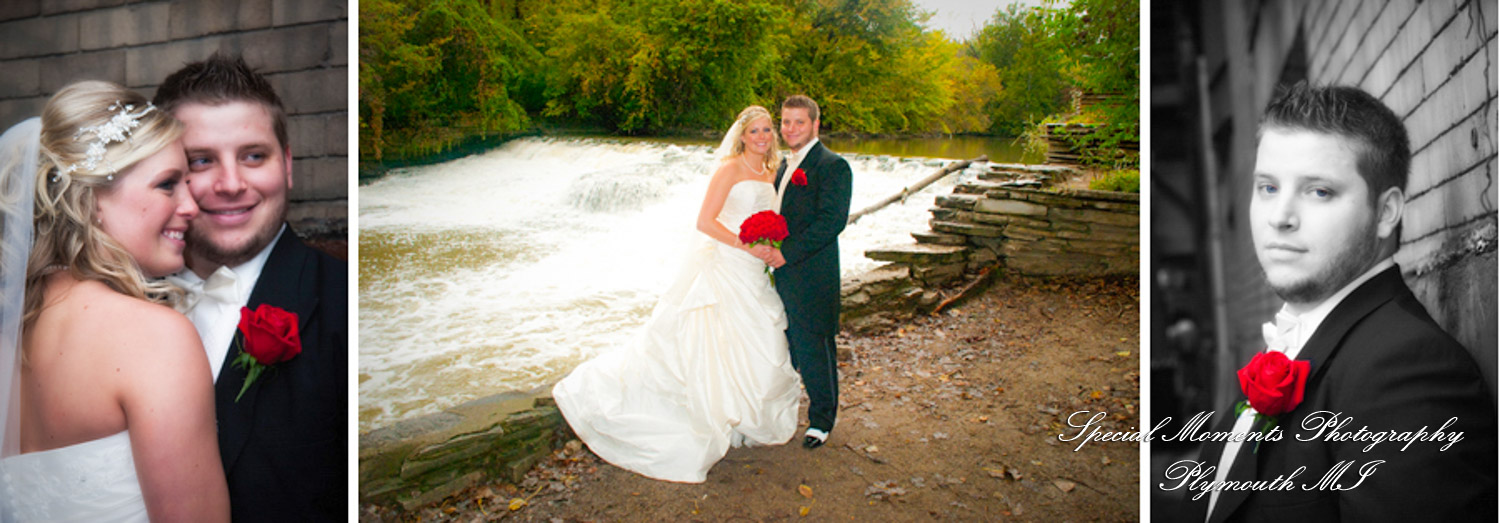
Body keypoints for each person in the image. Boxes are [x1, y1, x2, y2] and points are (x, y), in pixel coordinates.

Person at [1190, 82, 1496, 521]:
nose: (1280, 217)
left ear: (1386, 212)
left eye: (1319, 192)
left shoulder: (1405, 370)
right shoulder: (1302, 341)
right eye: (1268, 187)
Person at [0, 81, 230, 521]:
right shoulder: (152, 336)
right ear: (89, 201)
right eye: (167, 185)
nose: (191, 206)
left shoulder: (9, 339)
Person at [552, 105, 802, 483]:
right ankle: (711, 412)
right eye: (755, 131)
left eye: (768, 130)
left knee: (761, 337)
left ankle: (748, 417)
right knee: (713, 338)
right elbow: (705, 221)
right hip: (726, 263)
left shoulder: (773, 171)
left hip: (753, 269)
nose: (763, 137)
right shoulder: (729, 169)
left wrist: (769, 245)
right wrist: (745, 244)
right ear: (742, 136)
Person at [152, 54, 348, 521]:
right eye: (201, 161)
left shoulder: (344, 303)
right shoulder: (110, 309)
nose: (231, 184)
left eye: (253, 156)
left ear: (287, 165)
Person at [766, 95, 853, 449]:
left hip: (813, 275)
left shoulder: (833, 165)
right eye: (786, 122)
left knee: (816, 346)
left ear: (815, 125)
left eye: (799, 122)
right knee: (793, 347)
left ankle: (822, 419)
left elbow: (832, 223)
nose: (791, 129)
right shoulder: (786, 166)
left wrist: (786, 254)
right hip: (781, 274)